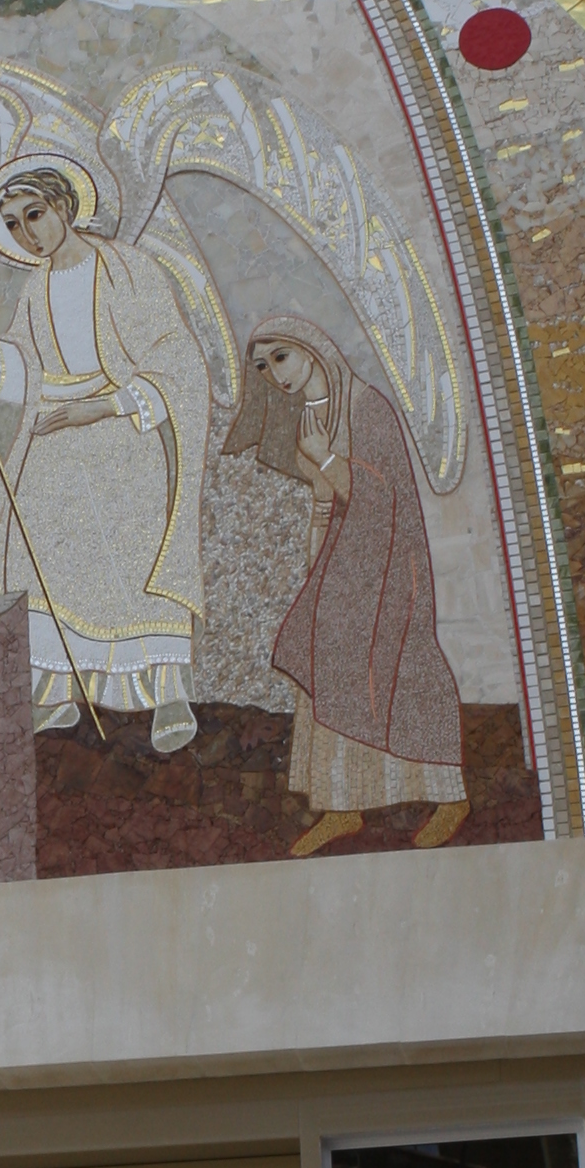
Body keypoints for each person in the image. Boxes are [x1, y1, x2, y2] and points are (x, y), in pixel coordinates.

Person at [0, 160, 214, 750]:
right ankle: (56, 694)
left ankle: (168, 694)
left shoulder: (126, 270)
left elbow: (176, 359)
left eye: (35, 216)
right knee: (43, 558)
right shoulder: (36, 288)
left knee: (132, 561)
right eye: (15, 226)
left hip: (121, 432)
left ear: (65, 208)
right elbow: (25, 375)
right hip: (56, 430)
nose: (28, 234)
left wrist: (103, 408)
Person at [225, 317, 468, 853]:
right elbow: (322, 496)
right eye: (263, 366)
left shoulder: (366, 406)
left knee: (403, 664)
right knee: (330, 664)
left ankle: (449, 796)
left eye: (281, 357)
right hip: (339, 553)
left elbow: (381, 496)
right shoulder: (308, 415)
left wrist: (326, 460)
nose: (274, 375)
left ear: (311, 347)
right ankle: (341, 805)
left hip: (386, 558)